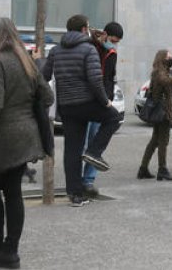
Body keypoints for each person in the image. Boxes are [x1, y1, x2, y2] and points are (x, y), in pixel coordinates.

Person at [0, 17, 53, 268]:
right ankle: (9, 249)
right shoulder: (26, 60)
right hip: (25, 138)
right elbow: (48, 97)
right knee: (12, 193)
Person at [43, 14, 122, 206]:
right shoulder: (88, 49)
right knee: (113, 118)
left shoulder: (55, 50)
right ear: (83, 29)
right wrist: (105, 102)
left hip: (66, 106)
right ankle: (94, 152)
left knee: (72, 150)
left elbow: (44, 76)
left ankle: (75, 195)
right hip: (86, 103)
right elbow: (95, 80)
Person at [80, 21, 123, 199]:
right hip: (88, 100)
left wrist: (109, 98)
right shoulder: (89, 46)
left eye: (117, 42)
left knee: (95, 144)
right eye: (113, 40)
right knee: (83, 142)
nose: (114, 44)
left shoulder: (111, 53)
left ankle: (88, 181)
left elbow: (110, 78)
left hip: (102, 102)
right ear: (104, 34)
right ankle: (78, 181)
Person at [138, 48, 172, 181]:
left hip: (161, 110)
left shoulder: (162, 71)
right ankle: (162, 169)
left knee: (155, 140)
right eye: (168, 57)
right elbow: (166, 81)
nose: (171, 59)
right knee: (163, 141)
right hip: (162, 111)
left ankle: (143, 168)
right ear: (162, 58)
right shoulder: (160, 72)